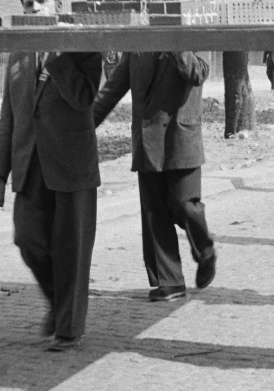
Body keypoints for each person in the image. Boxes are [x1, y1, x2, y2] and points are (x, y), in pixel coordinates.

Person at [0, 0, 102, 351]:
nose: (34, 10)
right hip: (29, 164)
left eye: (41, 2)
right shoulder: (19, 53)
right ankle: (59, 303)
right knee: (27, 238)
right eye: (28, 5)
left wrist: (57, 55)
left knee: (70, 247)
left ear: (57, 5)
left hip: (71, 162)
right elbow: (9, 115)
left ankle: (69, 328)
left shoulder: (82, 46)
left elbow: (84, 98)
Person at [93, 49, 216, 301]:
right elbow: (112, 90)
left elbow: (197, 73)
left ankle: (204, 248)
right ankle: (169, 281)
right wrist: (82, 125)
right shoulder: (137, 47)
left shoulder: (192, 33)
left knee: (186, 205)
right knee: (155, 212)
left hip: (181, 137)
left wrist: (176, 46)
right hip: (148, 139)